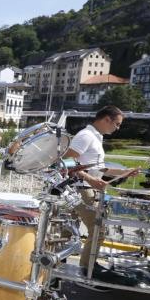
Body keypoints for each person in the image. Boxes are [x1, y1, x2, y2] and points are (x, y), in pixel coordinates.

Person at [62, 105, 126, 273]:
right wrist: (91, 179)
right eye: (117, 124)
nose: (117, 128)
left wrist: (124, 172)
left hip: (82, 187)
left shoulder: (96, 137)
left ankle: (56, 267)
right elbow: (68, 162)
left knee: (66, 229)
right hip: (81, 188)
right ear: (106, 119)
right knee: (98, 229)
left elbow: (98, 168)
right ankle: (87, 268)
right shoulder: (86, 136)